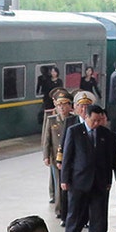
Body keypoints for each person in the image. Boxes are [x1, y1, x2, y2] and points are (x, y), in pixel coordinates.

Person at [60, 105, 116, 232]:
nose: (97, 123)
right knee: (75, 214)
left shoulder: (108, 135)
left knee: (98, 215)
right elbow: (67, 157)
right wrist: (64, 179)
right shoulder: (74, 132)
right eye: (94, 120)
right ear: (86, 117)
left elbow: (114, 160)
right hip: (78, 181)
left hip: (100, 182)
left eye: (100, 120)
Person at [42, 89, 73, 222]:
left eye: (64, 104)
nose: (62, 107)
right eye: (59, 105)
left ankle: (69, 209)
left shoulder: (73, 120)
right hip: (56, 157)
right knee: (59, 184)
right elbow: (47, 139)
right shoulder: (52, 120)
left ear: (69, 105)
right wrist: (46, 156)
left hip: (71, 157)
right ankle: (59, 210)